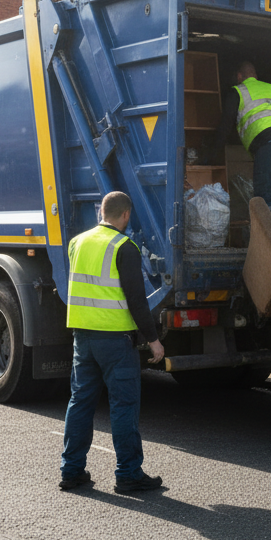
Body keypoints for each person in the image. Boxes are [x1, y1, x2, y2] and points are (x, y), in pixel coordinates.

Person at [60, 191, 167, 492]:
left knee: (80, 403)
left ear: (101, 212)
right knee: (123, 406)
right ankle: (128, 473)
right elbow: (136, 300)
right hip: (116, 341)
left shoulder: (77, 243)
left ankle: (71, 471)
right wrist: (154, 340)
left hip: (83, 337)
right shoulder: (124, 247)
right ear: (126, 215)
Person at [224, 60, 271, 206]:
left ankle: (266, 229)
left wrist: (210, 155)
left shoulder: (238, 91)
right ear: (255, 75)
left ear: (239, 76)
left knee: (266, 200)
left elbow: (225, 126)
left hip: (269, 143)